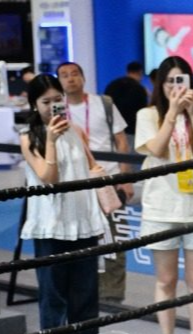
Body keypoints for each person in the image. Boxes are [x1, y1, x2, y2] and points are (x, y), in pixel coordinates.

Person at [135, 55, 193, 334]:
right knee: (166, 279)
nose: (175, 86)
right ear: (160, 84)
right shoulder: (147, 115)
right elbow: (156, 149)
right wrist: (172, 112)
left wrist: (192, 114)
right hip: (161, 207)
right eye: (170, 81)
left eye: (180, 80)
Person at [18, 74, 105, 334]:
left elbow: (93, 167)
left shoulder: (77, 131)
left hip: (83, 222)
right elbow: (48, 178)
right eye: (46, 102)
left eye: (58, 100)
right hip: (51, 227)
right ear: (34, 104)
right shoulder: (28, 138)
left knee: (86, 295)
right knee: (53, 298)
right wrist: (52, 140)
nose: (54, 106)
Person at [57, 61, 133, 304]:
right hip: (74, 183)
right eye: (64, 75)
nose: (70, 79)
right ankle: (81, 291)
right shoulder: (57, 109)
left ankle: (112, 294)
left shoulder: (104, 103)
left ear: (83, 77)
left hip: (107, 179)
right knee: (77, 239)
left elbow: (122, 142)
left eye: (74, 74)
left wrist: (125, 178)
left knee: (115, 239)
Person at [105, 61, 150, 151]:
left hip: (113, 131)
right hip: (132, 132)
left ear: (127, 71)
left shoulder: (112, 85)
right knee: (131, 157)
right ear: (140, 73)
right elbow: (142, 111)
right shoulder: (139, 89)